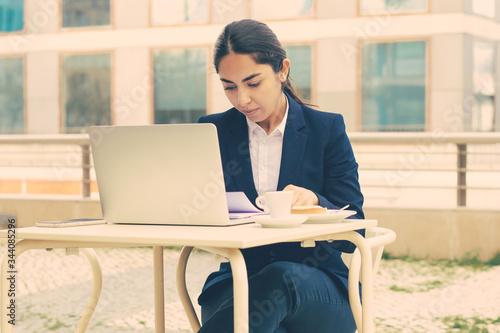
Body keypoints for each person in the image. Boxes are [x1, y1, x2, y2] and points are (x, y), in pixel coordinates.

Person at [197, 19, 364, 333]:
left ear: (282, 70)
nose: (241, 99)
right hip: (237, 281)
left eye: (253, 83)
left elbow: (355, 225)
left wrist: (315, 200)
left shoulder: (325, 129)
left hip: (318, 287)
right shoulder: (213, 131)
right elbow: (197, 206)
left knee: (279, 279)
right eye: (229, 87)